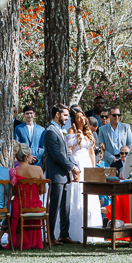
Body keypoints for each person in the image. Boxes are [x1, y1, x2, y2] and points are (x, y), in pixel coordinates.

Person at [58, 107, 102, 243]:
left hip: (87, 163)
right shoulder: (72, 131)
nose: (81, 119)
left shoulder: (88, 133)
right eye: (78, 117)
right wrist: (74, 167)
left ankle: (92, 229)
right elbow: (69, 151)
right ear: (74, 120)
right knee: (76, 194)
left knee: (90, 195)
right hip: (77, 164)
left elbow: (91, 153)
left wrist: (94, 168)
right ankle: (74, 231)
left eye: (83, 116)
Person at [43, 103, 80, 245]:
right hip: (56, 175)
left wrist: (75, 166)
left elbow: (67, 151)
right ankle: (50, 236)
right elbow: (57, 155)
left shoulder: (60, 130)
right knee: (55, 206)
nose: (67, 118)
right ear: (57, 115)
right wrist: (71, 167)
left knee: (66, 206)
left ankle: (64, 234)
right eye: (65, 115)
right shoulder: (50, 131)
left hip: (65, 175)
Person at [6, 142, 45, 250]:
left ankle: (16, 242)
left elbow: (14, 192)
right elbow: (43, 190)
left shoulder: (14, 172)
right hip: (35, 206)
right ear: (27, 157)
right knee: (36, 204)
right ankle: (34, 242)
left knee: (15, 206)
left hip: (20, 206)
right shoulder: (38, 169)